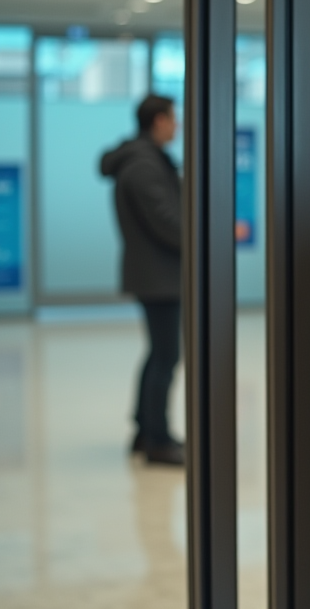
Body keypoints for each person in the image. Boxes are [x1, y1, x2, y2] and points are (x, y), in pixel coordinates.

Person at [100, 94, 184, 467]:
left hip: (156, 274)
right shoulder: (144, 166)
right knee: (166, 355)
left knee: (159, 353)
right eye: (172, 118)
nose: (177, 125)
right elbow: (167, 223)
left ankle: (144, 430)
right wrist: (207, 233)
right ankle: (157, 440)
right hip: (158, 275)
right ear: (158, 121)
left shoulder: (144, 161)